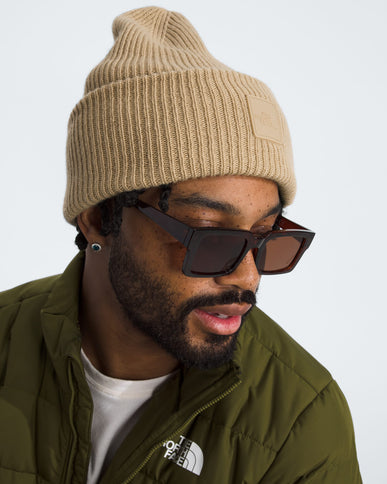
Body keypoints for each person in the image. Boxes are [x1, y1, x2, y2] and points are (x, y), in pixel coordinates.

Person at [0, 6, 362, 484]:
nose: (247, 276)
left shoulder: (299, 420)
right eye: (211, 236)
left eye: (265, 236)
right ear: (99, 220)